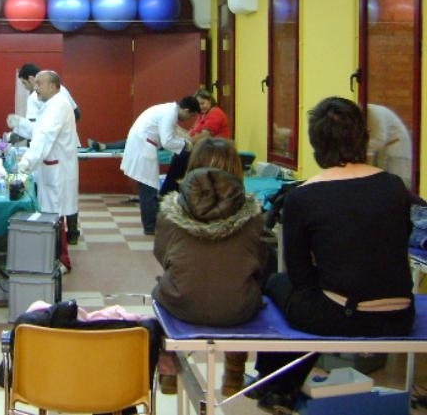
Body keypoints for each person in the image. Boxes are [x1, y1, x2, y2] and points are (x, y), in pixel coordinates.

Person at [248, 97, 414, 413]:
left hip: (342, 316)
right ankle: (276, 386)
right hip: (399, 317)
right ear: (363, 137)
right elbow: (396, 244)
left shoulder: (303, 197)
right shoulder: (394, 186)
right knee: (315, 295)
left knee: (277, 283)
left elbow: (299, 274)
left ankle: (274, 383)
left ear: (315, 144)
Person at [152, 137, 267, 397]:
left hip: (181, 304)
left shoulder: (171, 209)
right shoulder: (252, 212)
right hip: (237, 310)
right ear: (237, 169)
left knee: (163, 288)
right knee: (248, 284)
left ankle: (169, 370)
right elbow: (260, 261)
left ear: (193, 166)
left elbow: (162, 254)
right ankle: (234, 374)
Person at [9, 63, 82, 243]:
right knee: (56, 210)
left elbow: (43, 137)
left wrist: (25, 164)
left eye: (39, 84)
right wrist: (20, 123)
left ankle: (57, 251)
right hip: (54, 165)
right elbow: (38, 129)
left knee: (54, 211)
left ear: (52, 86)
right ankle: (57, 246)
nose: (36, 88)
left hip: (56, 169)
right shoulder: (51, 104)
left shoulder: (57, 106)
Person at [120, 96, 200, 235]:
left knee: (149, 188)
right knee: (149, 189)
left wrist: (186, 139)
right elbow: (167, 141)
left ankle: (152, 223)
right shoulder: (170, 113)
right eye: (191, 116)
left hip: (143, 145)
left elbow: (174, 132)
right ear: (186, 110)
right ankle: (150, 227)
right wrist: (185, 144)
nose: (189, 119)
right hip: (143, 148)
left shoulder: (169, 110)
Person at [159, 88, 231, 195]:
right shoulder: (202, 115)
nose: (201, 106)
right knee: (179, 155)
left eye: (203, 103)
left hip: (216, 150)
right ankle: (172, 190)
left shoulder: (215, 113)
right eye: (199, 104)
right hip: (204, 148)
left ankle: (168, 192)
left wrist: (185, 143)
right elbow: (191, 133)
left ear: (210, 101)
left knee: (181, 157)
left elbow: (204, 135)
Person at [366, 103, 412, 190]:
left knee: (399, 186)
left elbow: (379, 140)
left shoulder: (373, 113)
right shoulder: (366, 113)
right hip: (384, 151)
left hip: (397, 151)